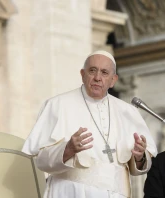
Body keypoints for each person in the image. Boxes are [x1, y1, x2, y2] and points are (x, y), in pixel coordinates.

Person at [22, 50, 157, 198]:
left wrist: (140, 157)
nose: (98, 78)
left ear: (113, 80)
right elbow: (41, 160)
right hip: (71, 192)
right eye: (92, 71)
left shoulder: (128, 111)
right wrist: (67, 150)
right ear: (82, 74)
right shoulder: (58, 105)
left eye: (104, 73)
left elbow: (140, 166)